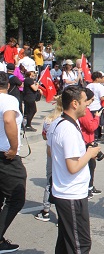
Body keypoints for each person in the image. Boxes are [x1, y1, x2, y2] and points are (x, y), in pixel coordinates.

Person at [47, 85, 101, 253]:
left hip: (64, 191)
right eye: (86, 101)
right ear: (75, 103)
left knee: (65, 242)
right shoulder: (68, 129)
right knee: (81, 245)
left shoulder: (57, 122)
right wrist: (90, 153)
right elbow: (73, 167)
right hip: (71, 194)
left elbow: (50, 151)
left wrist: (83, 151)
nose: (88, 105)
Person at [0, 72, 26, 253]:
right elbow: (9, 119)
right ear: (8, 86)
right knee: (16, 197)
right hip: (6, 156)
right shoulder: (8, 100)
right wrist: (14, 147)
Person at [34, 96, 63, 223]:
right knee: (63, 184)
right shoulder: (68, 120)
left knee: (50, 182)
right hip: (64, 155)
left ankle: (46, 210)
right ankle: (62, 216)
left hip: (51, 153)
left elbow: (44, 136)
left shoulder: (49, 119)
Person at [79, 88, 104, 199]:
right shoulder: (84, 112)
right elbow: (91, 126)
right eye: (91, 99)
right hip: (85, 141)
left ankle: (90, 186)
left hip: (89, 140)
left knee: (92, 165)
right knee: (88, 166)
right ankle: (87, 188)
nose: (92, 102)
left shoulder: (87, 110)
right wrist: (97, 117)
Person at [23, 65, 39, 132]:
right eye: (32, 72)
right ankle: (28, 125)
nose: (34, 74)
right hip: (30, 98)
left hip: (28, 97)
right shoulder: (29, 80)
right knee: (32, 111)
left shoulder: (27, 80)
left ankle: (28, 124)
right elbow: (35, 89)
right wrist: (37, 85)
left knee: (31, 111)